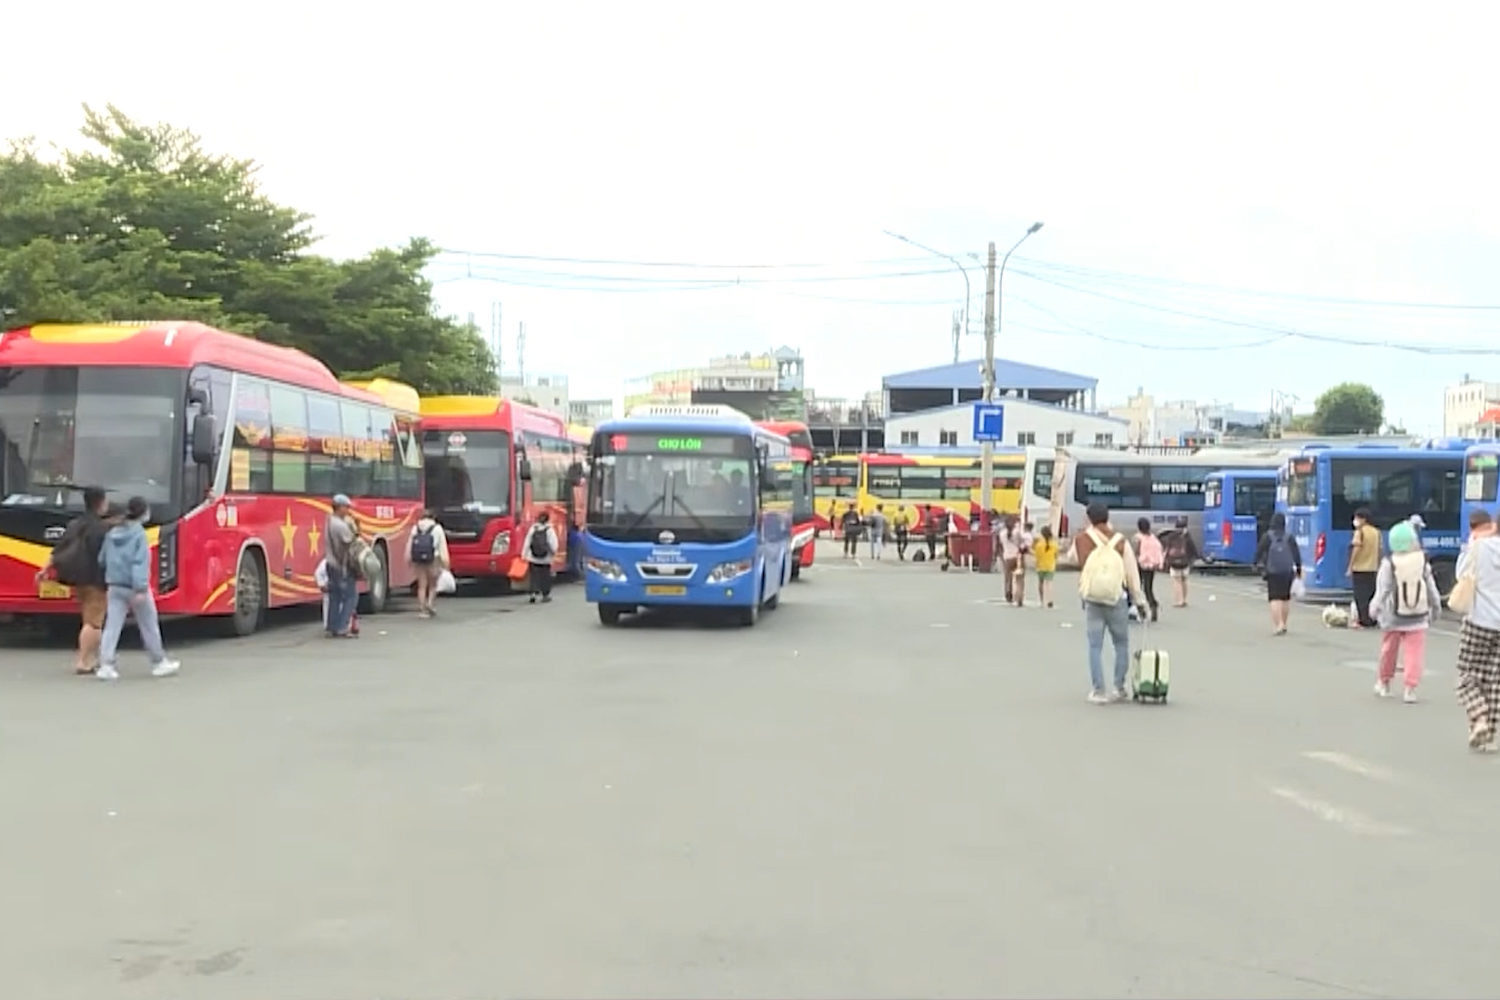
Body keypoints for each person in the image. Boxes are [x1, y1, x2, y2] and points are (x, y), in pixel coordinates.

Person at [95, 496, 179, 680]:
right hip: (135, 588)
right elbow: (140, 563)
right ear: (142, 513)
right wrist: (140, 588)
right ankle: (158, 662)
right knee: (148, 625)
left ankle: (106, 665)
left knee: (112, 626)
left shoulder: (111, 534)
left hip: (114, 586)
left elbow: (102, 559)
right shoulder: (139, 534)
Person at [35, 485, 114, 675]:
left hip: (78, 578)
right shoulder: (101, 528)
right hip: (95, 579)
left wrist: (45, 569)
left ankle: (89, 659)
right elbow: (105, 557)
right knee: (94, 623)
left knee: (87, 618)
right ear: (100, 503)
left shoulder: (74, 524)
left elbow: (59, 550)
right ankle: (84, 660)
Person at [1074, 501, 1146, 704]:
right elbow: (1132, 574)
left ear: (1089, 518)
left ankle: (1098, 690)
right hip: (1117, 598)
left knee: (1095, 645)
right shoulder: (1121, 541)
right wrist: (1139, 600)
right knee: (1121, 643)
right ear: (1108, 517)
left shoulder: (1082, 539)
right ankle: (1119, 687)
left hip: (1092, 598)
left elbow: (1074, 559)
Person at [1372, 521, 1438, 702]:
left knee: (1388, 651)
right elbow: (1431, 588)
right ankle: (1410, 689)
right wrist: (1436, 608)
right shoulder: (1422, 561)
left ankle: (1384, 683)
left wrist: (1374, 608)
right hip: (1418, 615)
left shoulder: (1389, 563)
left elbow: (1383, 590)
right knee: (1414, 652)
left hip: (1392, 616)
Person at [1454, 508, 1500, 750]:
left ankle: (1479, 717)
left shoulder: (1480, 547)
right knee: (1494, 679)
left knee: (1467, 673)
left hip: (1479, 620)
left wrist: (1471, 545)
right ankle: (1488, 734)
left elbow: (1461, 574)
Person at [1254, 511, 1303, 636]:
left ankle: (1278, 625)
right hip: (1287, 571)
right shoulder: (1289, 537)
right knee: (1285, 598)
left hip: (1273, 571)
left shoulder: (1267, 537)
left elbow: (1259, 551)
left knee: (1275, 599)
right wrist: (1298, 568)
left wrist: (1255, 564)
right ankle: (1285, 623)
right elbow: (1296, 554)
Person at [323, 493, 360, 638]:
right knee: (350, 596)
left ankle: (332, 626)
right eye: (347, 507)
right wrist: (356, 528)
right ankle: (342, 627)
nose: (348, 510)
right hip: (341, 566)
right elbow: (351, 544)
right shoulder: (340, 526)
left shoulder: (329, 521)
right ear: (340, 508)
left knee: (335, 597)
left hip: (330, 563)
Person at [407, 508, 451, 619]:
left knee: (421, 585)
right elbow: (442, 546)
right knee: (433, 584)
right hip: (433, 558)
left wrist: (408, 558)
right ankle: (430, 604)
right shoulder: (437, 528)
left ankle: (422, 609)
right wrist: (445, 561)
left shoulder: (415, 528)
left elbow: (410, 544)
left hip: (418, 559)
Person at [1347, 506, 1381, 628]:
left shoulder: (1359, 532)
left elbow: (1356, 548)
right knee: (1371, 594)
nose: (1355, 520)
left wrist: (1350, 566)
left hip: (1360, 568)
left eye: (1357, 518)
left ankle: (1363, 620)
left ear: (1363, 519)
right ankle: (1372, 619)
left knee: (1360, 596)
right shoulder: (1376, 532)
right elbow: (1380, 550)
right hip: (1373, 568)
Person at [1159, 516, 1199, 607]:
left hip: (1174, 562)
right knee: (1184, 580)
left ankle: (1178, 601)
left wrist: (1165, 561)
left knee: (1177, 581)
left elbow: (1167, 549)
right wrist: (1194, 558)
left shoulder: (1171, 536)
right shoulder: (1187, 536)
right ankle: (1184, 600)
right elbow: (1192, 549)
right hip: (1185, 561)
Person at [521, 511, 559, 603]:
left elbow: (527, 542)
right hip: (545, 559)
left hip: (533, 558)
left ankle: (533, 594)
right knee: (545, 577)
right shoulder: (549, 529)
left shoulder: (533, 528)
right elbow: (553, 543)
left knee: (534, 577)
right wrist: (553, 553)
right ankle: (545, 595)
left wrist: (524, 554)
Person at [1133, 517, 1164, 623]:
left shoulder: (1138, 538)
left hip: (1140, 565)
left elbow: (1136, 552)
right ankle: (1153, 606)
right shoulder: (1154, 539)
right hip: (1151, 566)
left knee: (1136, 588)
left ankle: (1140, 610)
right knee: (1148, 588)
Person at [999, 516, 1026, 605]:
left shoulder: (1002, 533)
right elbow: (1022, 544)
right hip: (1017, 556)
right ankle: (1019, 596)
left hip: (1007, 556)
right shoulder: (1017, 532)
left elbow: (1001, 545)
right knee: (1019, 578)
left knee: (1008, 578)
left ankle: (1008, 594)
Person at [1032, 524, 1058, 609]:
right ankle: (1050, 599)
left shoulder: (1039, 545)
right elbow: (1056, 555)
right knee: (1049, 583)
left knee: (1040, 583)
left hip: (1041, 566)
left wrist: (1036, 565)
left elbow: (1037, 556)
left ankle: (1042, 600)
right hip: (1050, 566)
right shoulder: (1054, 544)